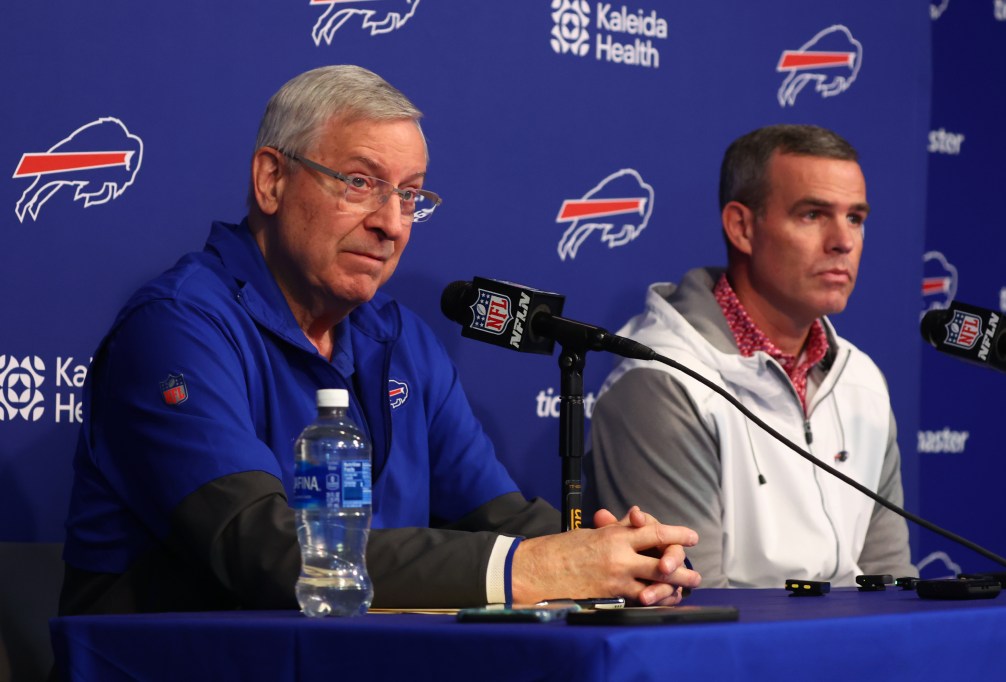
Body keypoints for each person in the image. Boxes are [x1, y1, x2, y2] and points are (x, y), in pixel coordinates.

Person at [58, 65, 701, 615]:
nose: (391, 224)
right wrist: (531, 570)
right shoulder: (177, 327)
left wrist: (616, 553)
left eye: (411, 195)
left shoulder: (401, 341)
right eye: (360, 183)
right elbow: (267, 551)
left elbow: (499, 518)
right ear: (272, 180)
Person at [585, 124, 917, 588]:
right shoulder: (663, 383)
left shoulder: (862, 381)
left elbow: (892, 583)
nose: (843, 240)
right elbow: (695, 603)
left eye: (855, 218)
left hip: (857, 652)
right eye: (813, 215)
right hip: (739, 656)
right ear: (742, 227)